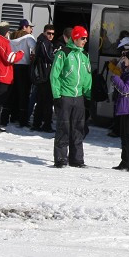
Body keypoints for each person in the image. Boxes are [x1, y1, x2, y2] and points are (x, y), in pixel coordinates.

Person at [50, 26, 92, 168]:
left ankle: (76, 159)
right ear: (75, 38)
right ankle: (61, 158)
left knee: (78, 128)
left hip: (79, 96)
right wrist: (57, 95)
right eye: (82, 38)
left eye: (86, 38)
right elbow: (54, 75)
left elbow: (87, 76)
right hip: (65, 95)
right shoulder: (63, 53)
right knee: (64, 127)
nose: (85, 41)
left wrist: (88, 94)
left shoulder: (85, 55)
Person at [9, 19, 36, 127]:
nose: (31, 29)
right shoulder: (28, 37)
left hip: (13, 66)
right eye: (30, 27)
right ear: (24, 27)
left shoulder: (11, 36)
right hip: (24, 67)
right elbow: (35, 48)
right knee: (24, 94)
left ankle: (13, 115)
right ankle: (22, 119)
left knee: (14, 92)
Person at [30, 24, 57, 133]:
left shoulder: (44, 42)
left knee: (42, 101)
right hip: (44, 76)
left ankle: (38, 123)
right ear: (44, 32)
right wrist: (56, 54)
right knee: (46, 102)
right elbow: (49, 57)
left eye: (53, 34)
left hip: (43, 75)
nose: (51, 36)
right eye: (49, 33)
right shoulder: (43, 42)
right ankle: (45, 124)